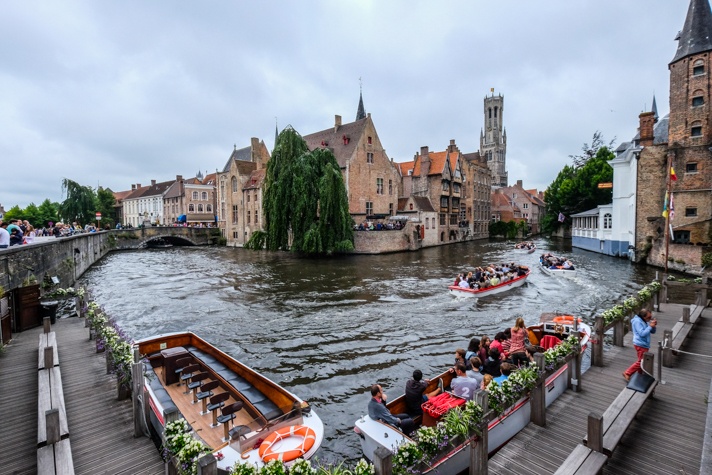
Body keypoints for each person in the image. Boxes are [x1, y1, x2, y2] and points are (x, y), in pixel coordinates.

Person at [623, 309, 657, 381]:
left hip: (645, 344)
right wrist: (650, 326)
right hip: (640, 344)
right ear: (643, 317)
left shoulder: (645, 321)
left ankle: (640, 374)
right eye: (648, 317)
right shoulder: (637, 322)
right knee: (642, 361)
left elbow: (652, 332)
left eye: (650, 316)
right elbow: (642, 334)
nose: (650, 318)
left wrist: (653, 326)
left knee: (641, 360)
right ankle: (627, 373)